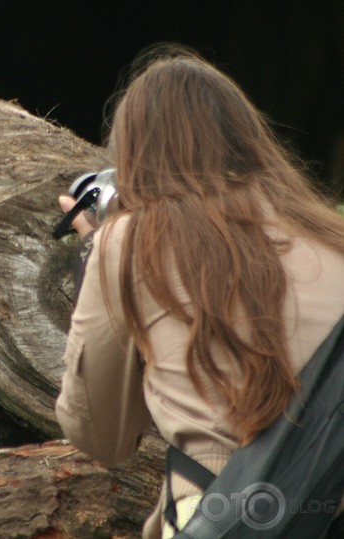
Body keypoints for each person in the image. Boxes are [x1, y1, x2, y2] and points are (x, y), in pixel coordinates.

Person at [55, 44, 344, 538]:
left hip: (221, 518)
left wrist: (95, 260)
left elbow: (100, 435)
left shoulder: (130, 242)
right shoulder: (330, 237)